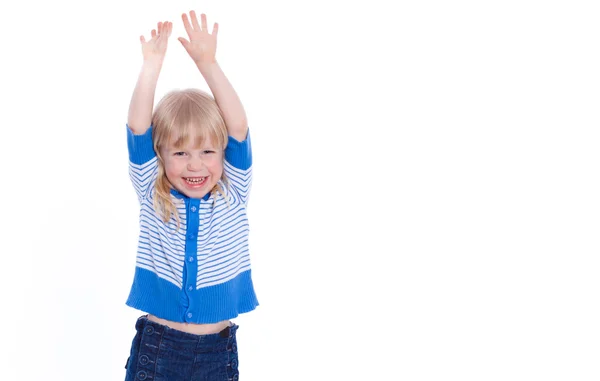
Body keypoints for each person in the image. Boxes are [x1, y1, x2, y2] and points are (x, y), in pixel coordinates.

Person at [123, 10, 258, 381]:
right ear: (161, 156)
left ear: (223, 155)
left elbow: (238, 126)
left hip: (218, 352)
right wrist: (151, 66)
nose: (195, 166)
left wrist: (208, 64)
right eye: (180, 153)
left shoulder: (232, 191)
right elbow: (138, 127)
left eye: (207, 152)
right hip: (158, 349)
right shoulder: (153, 190)